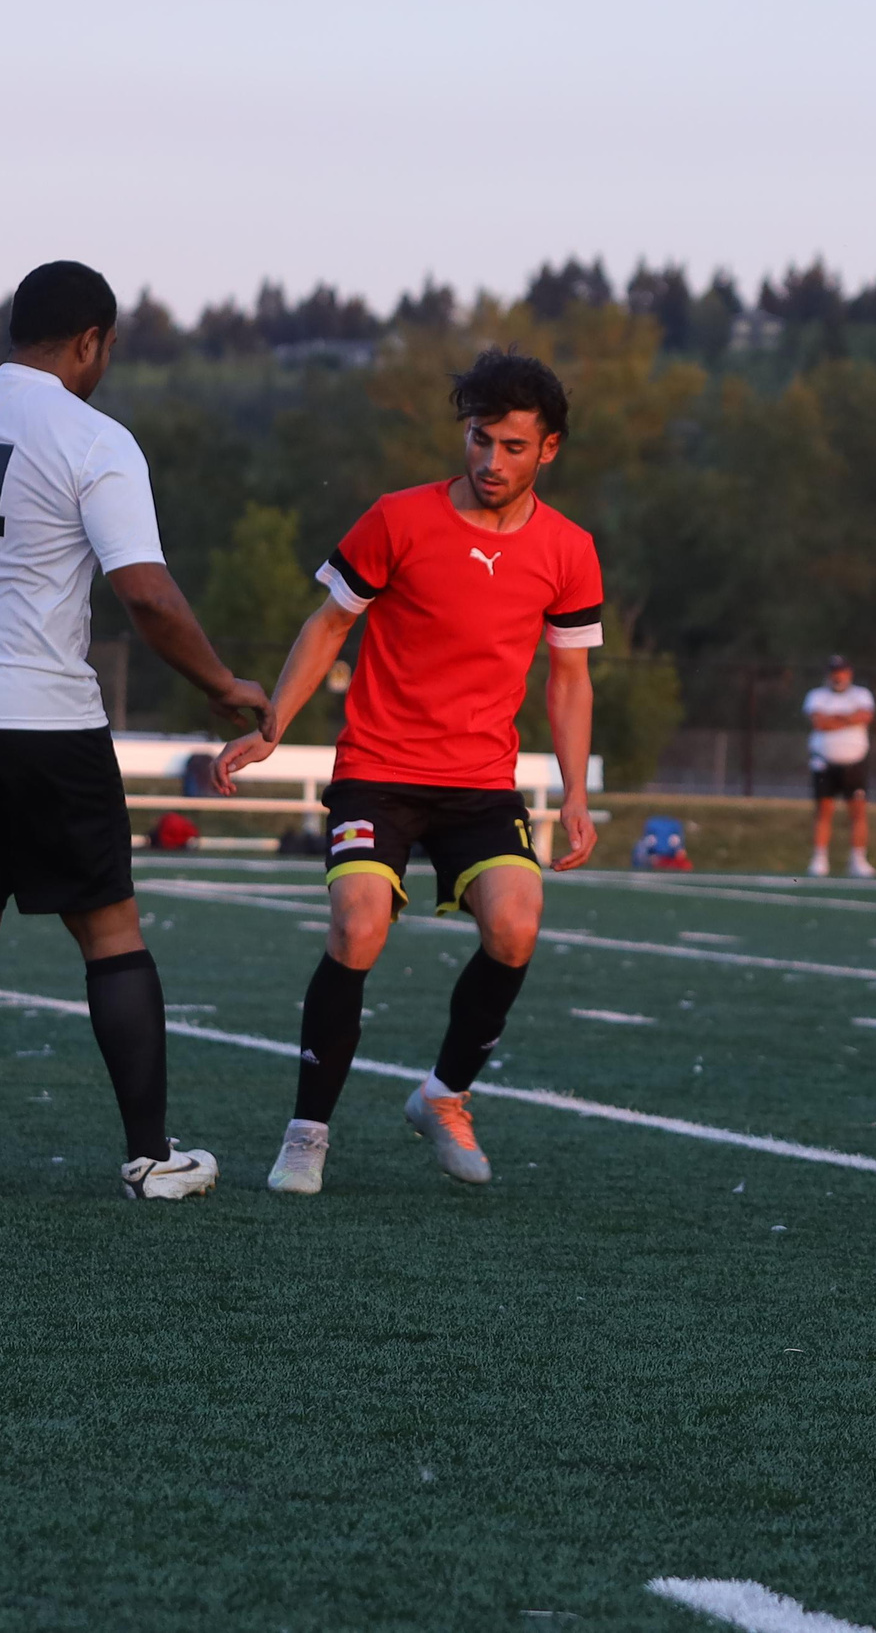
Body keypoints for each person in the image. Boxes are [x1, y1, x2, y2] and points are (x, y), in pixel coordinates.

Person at [0, 260, 270, 1199]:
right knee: (109, 928)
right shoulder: (93, 437)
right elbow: (147, 593)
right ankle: (152, 1156)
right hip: (41, 715)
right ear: (91, 342)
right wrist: (221, 681)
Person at [212, 350, 602, 1195]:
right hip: (378, 768)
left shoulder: (570, 550)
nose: (490, 460)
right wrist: (274, 727)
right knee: (358, 927)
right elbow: (329, 625)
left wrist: (574, 791)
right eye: (478, 438)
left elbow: (569, 677)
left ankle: (443, 1095)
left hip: (481, 782)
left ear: (549, 449)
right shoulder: (397, 518)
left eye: (511, 446)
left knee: (517, 926)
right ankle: (307, 1132)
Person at [803, 655, 876, 877]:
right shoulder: (817, 695)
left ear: (849, 673)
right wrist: (849, 718)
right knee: (824, 810)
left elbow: (865, 716)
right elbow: (819, 722)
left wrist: (834, 719)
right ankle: (819, 859)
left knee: (858, 811)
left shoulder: (861, 694)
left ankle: (858, 860)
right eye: (834, 672)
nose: (838, 676)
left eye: (841, 671)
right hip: (824, 762)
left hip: (854, 763)